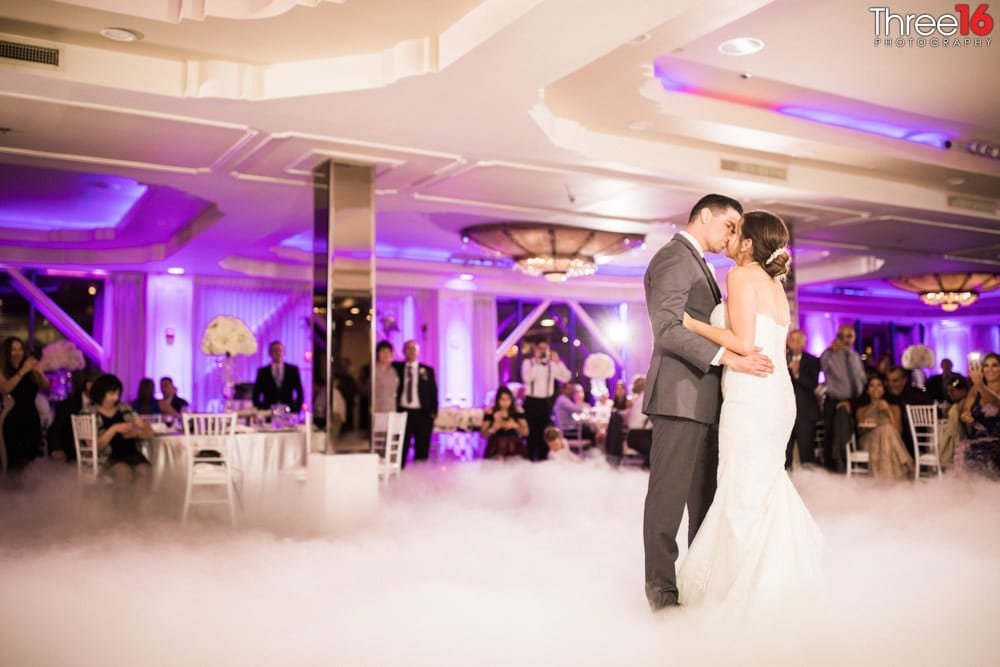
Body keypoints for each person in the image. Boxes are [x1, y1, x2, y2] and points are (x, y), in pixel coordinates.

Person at [673, 209, 823, 609]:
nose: (730, 238)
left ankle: (740, 595)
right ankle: (779, 586)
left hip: (751, 394)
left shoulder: (741, 276)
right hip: (776, 394)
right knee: (762, 485)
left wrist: (691, 324)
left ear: (750, 243)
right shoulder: (775, 284)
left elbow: (741, 341)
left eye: (736, 232)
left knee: (741, 489)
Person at [640, 194, 775, 612]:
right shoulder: (674, 257)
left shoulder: (703, 265)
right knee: (668, 499)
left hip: (707, 400)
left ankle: (698, 585)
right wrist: (726, 356)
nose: (734, 235)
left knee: (705, 499)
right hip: (679, 397)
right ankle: (662, 593)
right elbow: (666, 327)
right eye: (729, 225)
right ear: (703, 217)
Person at [84, 373, 154, 501]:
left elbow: (148, 431)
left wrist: (137, 433)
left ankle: (140, 512)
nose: (116, 398)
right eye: (111, 394)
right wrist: (114, 429)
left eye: (117, 394)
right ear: (100, 393)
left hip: (132, 454)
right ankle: (121, 513)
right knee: (124, 472)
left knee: (145, 470)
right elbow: (93, 447)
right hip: (107, 458)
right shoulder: (89, 413)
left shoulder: (124, 408)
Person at [820, 324, 866, 471]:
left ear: (854, 338)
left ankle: (852, 463)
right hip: (834, 401)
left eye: (849, 336)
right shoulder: (830, 355)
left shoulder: (855, 356)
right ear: (838, 336)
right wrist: (829, 350)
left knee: (854, 432)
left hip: (854, 401)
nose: (846, 339)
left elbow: (861, 378)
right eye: (843, 336)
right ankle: (831, 467)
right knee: (831, 434)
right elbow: (821, 365)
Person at [0, 337, 51, 471]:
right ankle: (12, 490)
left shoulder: (30, 367)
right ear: (7, 352)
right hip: (11, 418)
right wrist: (22, 370)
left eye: (20, 349)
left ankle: (28, 489)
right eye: (13, 350)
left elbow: (45, 386)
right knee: (14, 459)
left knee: (30, 458)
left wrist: (39, 372)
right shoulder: (2, 369)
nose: (18, 353)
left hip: (32, 417)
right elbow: (5, 388)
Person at [855, 375, 914, 481]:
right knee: (886, 430)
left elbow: (898, 431)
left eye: (879, 385)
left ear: (883, 389)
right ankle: (908, 466)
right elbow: (860, 432)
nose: (876, 388)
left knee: (887, 431)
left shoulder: (894, 407)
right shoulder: (862, 409)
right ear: (867, 390)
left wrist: (888, 411)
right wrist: (867, 424)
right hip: (868, 440)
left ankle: (886, 480)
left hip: (890, 441)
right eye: (872, 386)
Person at [520, 339, 571, 461]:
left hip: (546, 403)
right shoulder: (528, 363)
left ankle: (544, 463)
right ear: (535, 349)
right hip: (531, 402)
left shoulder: (552, 365)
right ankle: (530, 462)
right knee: (532, 435)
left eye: (545, 348)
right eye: (540, 348)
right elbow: (527, 378)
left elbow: (566, 377)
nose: (543, 351)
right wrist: (537, 363)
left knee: (546, 435)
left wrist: (558, 362)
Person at [393, 340, 438, 468]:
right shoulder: (397, 368)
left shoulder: (427, 370)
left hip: (422, 414)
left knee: (422, 449)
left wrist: (433, 414)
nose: (411, 351)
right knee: (401, 446)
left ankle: (420, 477)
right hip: (402, 412)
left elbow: (433, 393)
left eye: (414, 348)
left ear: (418, 351)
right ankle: (399, 474)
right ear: (403, 351)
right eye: (408, 348)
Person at [959, 353, 1000, 478]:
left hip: (997, 438)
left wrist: (979, 384)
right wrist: (966, 417)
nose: (990, 369)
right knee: (963, 448)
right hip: (977, 437)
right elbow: (964, 412)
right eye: (986, 366)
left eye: (995, 365)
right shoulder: (975, 389)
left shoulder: (978, 386)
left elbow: (995, 403)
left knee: (986, 452)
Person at [47, 368, 101, 462]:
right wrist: (56, 449)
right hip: (71, 452)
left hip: (99, 451)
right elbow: (55, 429)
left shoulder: (103, 404)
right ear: (88, 385)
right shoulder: (68, 404)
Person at [786, 329, 821, 469]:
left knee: (807, 455)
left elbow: (813, 384)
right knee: (784, 454)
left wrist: (797, 373)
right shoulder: (781, 359)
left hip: (805, 414)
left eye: (797, 340)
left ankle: (810, 486)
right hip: (785, 413)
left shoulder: (812, 360)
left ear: (803, 343)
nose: (794, 343)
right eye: (791, 339)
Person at [252, 340, 304, 410]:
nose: (277, 353)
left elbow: (299, 391)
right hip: (268, 410)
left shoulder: (293, 370)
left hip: (288, 409)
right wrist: (259, 408)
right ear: (270, 353)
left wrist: (297, 408)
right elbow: (256, 393)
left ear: (284, 352)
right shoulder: (262, 372)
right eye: (274, 350)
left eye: (279, 350)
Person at [481, 386, 528, 459]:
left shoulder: (517, 411)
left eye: (508, 399)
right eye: (502, 399)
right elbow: (483, 434)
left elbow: (526, 432)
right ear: (497, 400)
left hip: (514, 446)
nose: (505, 402)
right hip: (495, 447)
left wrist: (515, 426)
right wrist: (493, 428)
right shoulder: (490, 412)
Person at [372, 340, 399, 413]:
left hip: (391, 408)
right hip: (377, 409)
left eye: (388, 352)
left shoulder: (393, 371)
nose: (385, 355)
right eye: (383, 352)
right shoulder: (373, 369)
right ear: (377, 353)